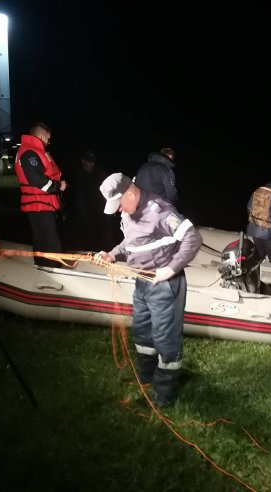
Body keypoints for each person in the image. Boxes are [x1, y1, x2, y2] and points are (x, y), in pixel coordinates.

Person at [94, 172, 202, 408]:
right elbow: (131, 243)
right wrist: (112, 254)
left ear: (131, 193)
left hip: (164, 283)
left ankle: (163, 396)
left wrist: (171, 269)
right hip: (141, 283)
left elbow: (192, 238)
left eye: (120, 204)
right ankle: (145, 380)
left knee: (165, 339)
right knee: (142, 334)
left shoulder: (160, 211)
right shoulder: (129, 212)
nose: (120, 211)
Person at [14, 122, 67, 267]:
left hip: (43, 204)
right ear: (42, 136)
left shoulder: (34, 151)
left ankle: (44, 267)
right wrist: (58, 186)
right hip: (38, 205)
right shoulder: (29, 153)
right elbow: (37, 180)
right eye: (48, 139)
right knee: (49, 242)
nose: (48, 142)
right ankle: (52, 272)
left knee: (44, 239)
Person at [63, 149, 112, 251]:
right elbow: (71, 196)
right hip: (81, 216)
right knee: (82, 241)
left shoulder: (100, 173)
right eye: (89, 161)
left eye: (93, 161)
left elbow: (109, 191)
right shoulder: (75, 175)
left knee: (102, 241)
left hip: (100, 214)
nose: (92, 163)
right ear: (83, 161)